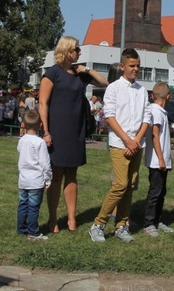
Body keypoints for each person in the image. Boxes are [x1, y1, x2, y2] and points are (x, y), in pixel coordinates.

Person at [39, 36, 108, 233]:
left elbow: (104, 82)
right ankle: (53, 219)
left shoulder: (80, 74)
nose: (78, 52)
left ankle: (71, 219)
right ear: (67, 51)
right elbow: (43, 103)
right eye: (76, 49)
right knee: (56, 175)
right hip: (57, 130)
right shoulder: (52, 73)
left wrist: (86, 69)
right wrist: (46, 130)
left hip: (76, 130)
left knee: (72, 175)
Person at [88, 48, 151, 243]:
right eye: (132, 66)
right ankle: (98, 224)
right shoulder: (113, 88)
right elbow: (110, 116)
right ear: (122, 66)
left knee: (130, 186)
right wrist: (127, 140)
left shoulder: (141, 90)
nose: (136, 69)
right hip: (119, 143)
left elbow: (146, 116)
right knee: (120, 184)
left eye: (138, 66)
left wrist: (137, 140)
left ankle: (122, 225)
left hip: (137, 143)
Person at [142, 82, 174, 237]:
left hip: (161, 160)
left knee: (161, 191)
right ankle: (148, 223)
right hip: (157, 161)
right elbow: (155, 135)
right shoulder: (156, 111)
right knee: (155, 192)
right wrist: (161, 159)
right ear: (168, 96)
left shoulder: (160, 111)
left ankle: (157, 220)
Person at [16, 109, 53, 240]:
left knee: (23, 205)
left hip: (23, 180)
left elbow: (20, 151)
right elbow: (45, 163)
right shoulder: (40, 142)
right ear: (41, 125)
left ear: (24, 125)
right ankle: (33, 232)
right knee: (33, 207)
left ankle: (21, 229)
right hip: (36, 181)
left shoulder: (22, 141)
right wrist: (48, 179)